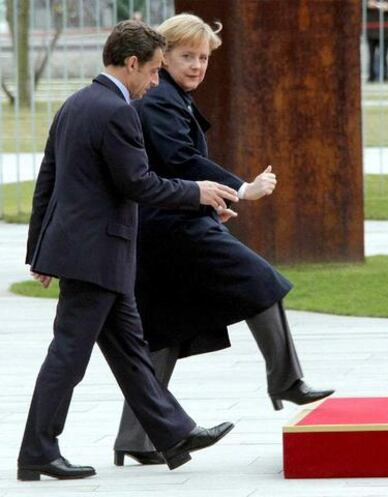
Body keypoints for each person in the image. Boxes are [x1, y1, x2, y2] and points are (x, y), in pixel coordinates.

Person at [17, 20, 239, 482]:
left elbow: (48, 183)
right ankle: (38, 450)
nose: (157, 82)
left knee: (131, 352)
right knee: (69, 356)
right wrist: (197, 192)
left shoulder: (76, 103)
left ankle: (174, 434)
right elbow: (139, 182)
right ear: (132, 64)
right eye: (155, 71)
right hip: (96, 255)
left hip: (94, 254)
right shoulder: (118, 112)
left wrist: (39, 248)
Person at [113, 13, 334, 467]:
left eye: (204, 58)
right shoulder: (160, 102)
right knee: (262, 282)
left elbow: (173, 164)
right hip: (173, 229)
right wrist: (241, 189)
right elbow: (182, 158)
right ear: (163, 57)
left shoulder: (171, 97)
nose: (197, 65)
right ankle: (286, 380)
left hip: (165, 227)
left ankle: (135, 438)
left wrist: (212, 201)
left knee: (164, 335)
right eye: (186, 56)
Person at [366, 0, 388, 82]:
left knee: (384, 55)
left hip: (386, 32)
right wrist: (368, 4)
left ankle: (384, 75)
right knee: (371, 56)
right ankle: (371, 76)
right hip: (371, 32)